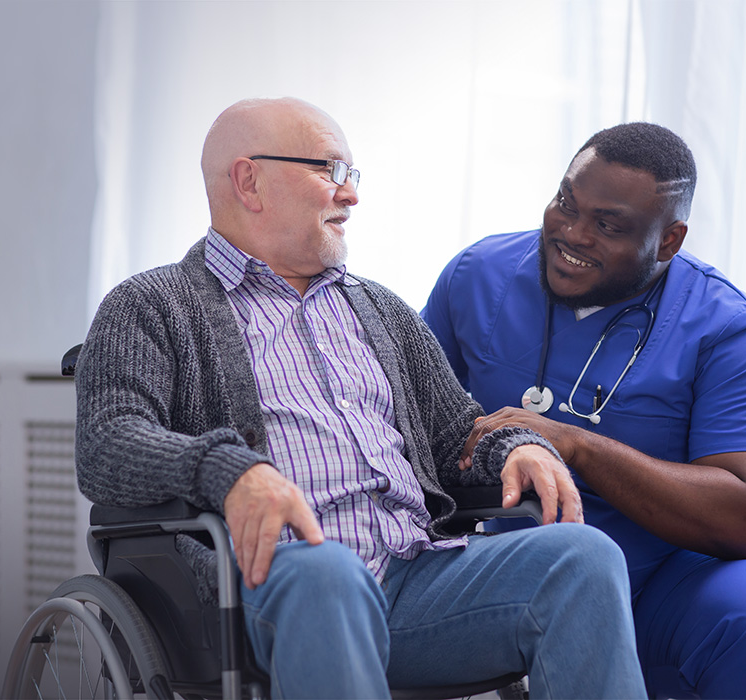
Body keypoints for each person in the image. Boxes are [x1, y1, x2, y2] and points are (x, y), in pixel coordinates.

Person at [75, 97, 647, 699]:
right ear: (249, 181)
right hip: (268, 584)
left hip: (417, 576)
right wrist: (230, 472)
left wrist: (512, 449)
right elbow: (107, 442)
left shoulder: (380, 309)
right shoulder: (150, 304)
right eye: (331, 171)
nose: (352, 195)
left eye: (353, 176)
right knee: (330, 574)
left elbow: (457, 433)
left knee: (582, 557)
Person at [421, 122, 746, 699]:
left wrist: (574, 444)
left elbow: (744, 515)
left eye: (608, 226)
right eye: (565, 203)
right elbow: (409, 425)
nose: (572, 234)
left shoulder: (733, 330)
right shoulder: (477, 275)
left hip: (669, 576)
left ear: (669, 241)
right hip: (514, 562)